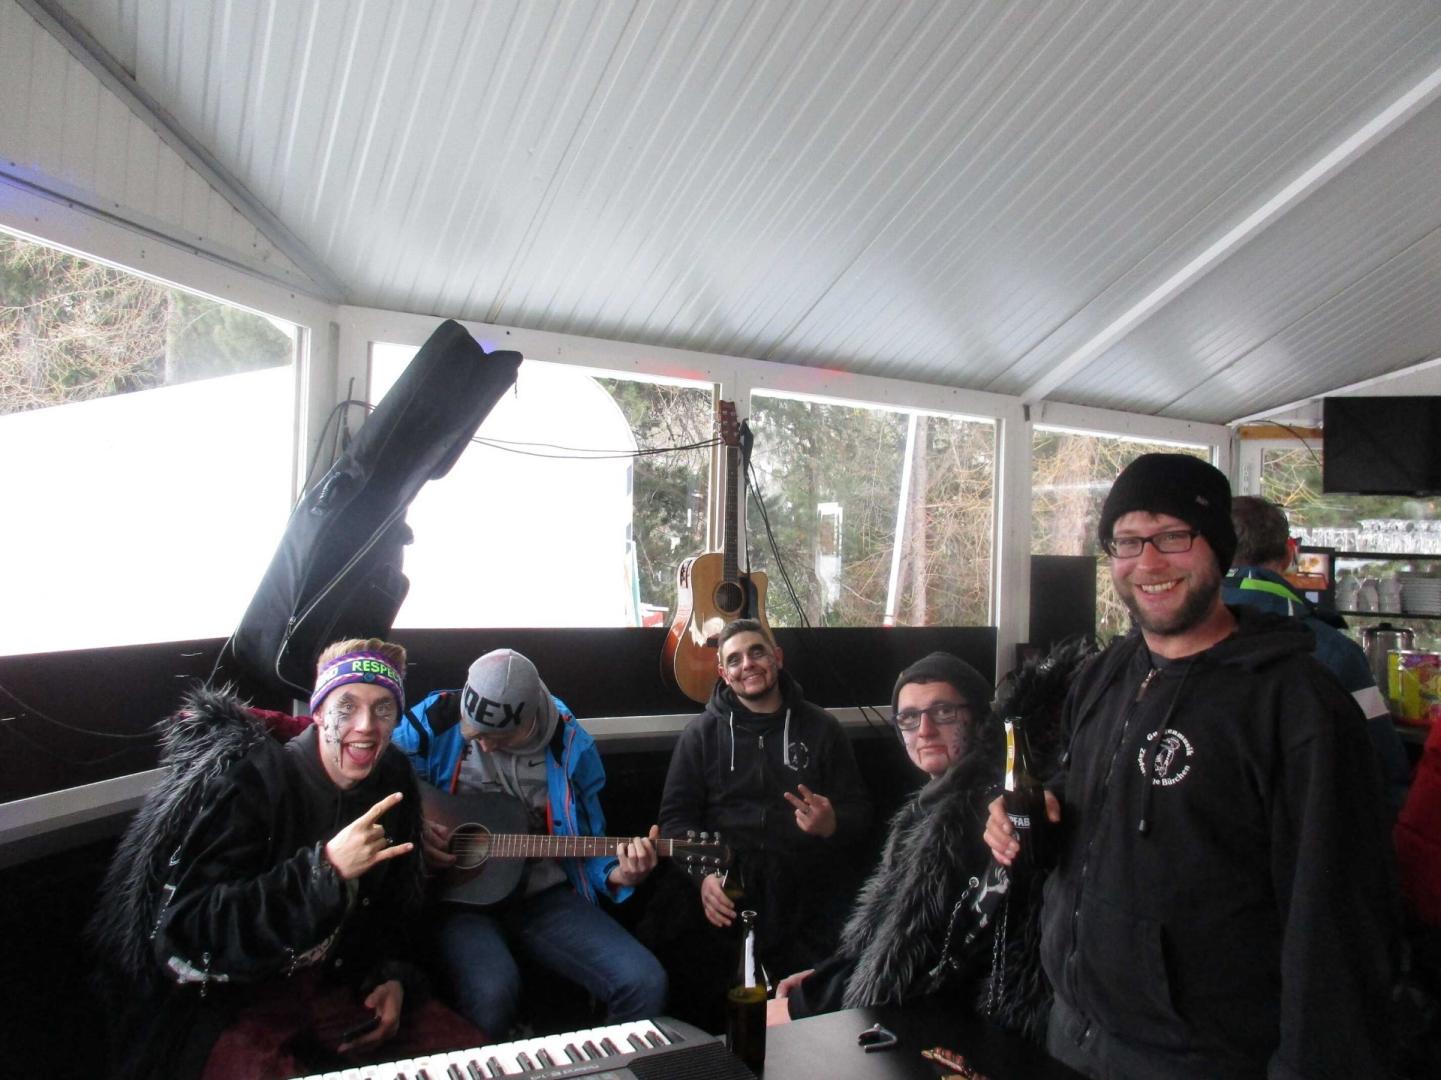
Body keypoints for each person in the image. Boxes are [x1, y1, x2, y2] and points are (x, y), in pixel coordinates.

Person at [984, 453, 1397, 1079]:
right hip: (1075, 1032)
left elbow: (1336, 926)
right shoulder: (1103, 674)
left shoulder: (1297, 705)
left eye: (1173, 536)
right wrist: (1037, 812)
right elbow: (1090, 794)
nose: (1148, 562)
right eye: (1127, 541)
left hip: (1206, 1058)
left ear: (1220, 549)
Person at [89, 638, 482, 1080]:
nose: (366, 726)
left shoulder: (392, 779)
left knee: (473, 1058)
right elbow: (187, 930)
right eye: (346, 706)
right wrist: (324, 871)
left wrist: (391, 978)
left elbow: (391, 912)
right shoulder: (250, 782)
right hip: (238, 1000)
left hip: (336, 985)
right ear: (318, 712)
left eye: (383, 709)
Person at [773, 646, 1085, 1038]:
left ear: (978, 718)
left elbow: (912, 965)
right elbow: (883, 940)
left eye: (944, 712)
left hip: (959, 1029)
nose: (924, 730)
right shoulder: (929, 806)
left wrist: (806, 1003)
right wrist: (827, 973)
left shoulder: (986, 814)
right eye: (908, 717)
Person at [393, 648, 667, 1038]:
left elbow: (589, 839)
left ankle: (600, 1064)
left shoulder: (570, 745)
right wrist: (415, 829)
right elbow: (378, 777)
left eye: (496, 737)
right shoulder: (436, 718)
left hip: (540, 897)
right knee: (492, 993)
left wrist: (621, 874)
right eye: (474, 735)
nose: (484, 746)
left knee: (643, 981)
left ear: (529, 720)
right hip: (459, 899)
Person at [652, 618, 873, 1028]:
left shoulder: (822, 728)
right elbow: (674, 822)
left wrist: (831, 823)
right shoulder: (699, 735)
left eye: (757, 652)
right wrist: (702, 879)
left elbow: (860, 813)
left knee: (817, 1001)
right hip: (726, 882)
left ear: (778, 658)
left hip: (806, 886)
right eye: (734, 659)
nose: (747, 664)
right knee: (698, 986)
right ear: (723, 673)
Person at [1224, 493, 1410, 813]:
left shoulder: (1171, 640)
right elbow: (1383, 764)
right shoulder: (1335, 651)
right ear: (1290, 553)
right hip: (1310, 826)